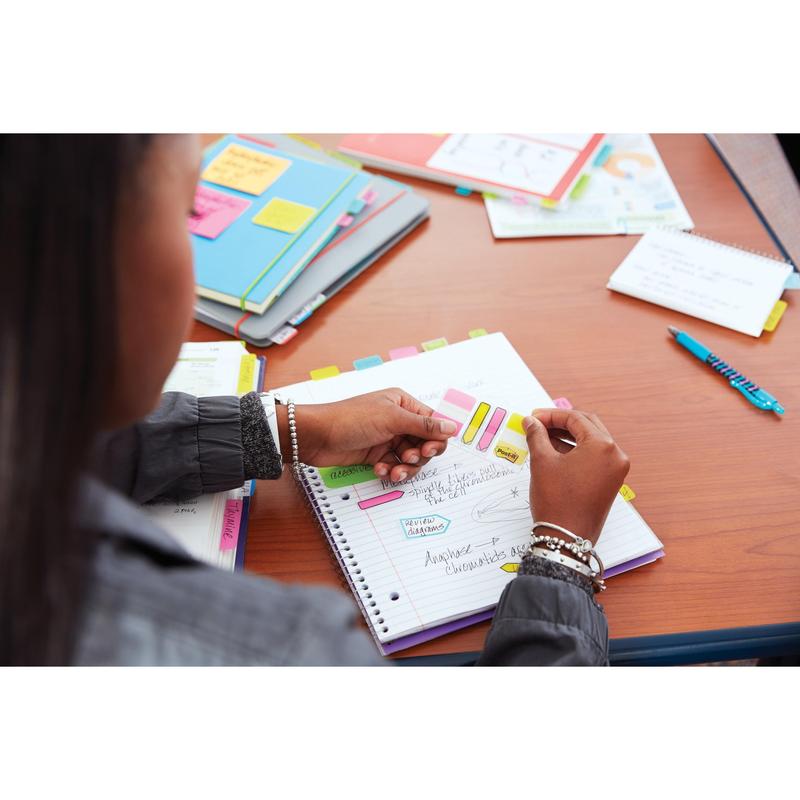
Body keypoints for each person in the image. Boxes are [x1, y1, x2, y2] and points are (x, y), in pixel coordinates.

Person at [0, 134, 630, 666]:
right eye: (188, 211)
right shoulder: (278, 651)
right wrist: (562, 548)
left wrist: (288, 431)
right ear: (85, 262)